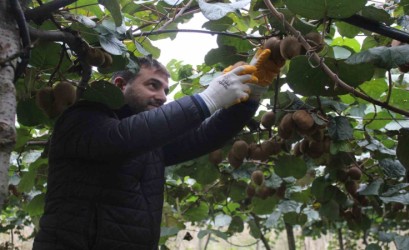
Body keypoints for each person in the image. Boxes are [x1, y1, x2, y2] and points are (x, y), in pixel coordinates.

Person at [32, 51, 279, 250]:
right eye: (153, 85)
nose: (162, 97)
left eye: (165, 91)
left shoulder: (150, 143)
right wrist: (208, 99)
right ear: (120, 85)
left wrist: (251, 96)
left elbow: (203, 137)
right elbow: (120, 139)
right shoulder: (81, 118)